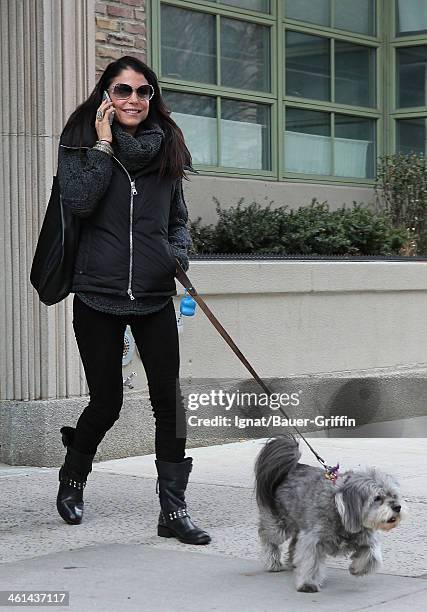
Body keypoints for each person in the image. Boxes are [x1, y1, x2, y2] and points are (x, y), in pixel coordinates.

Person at [55, 55, 210, 545]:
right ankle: (73, 478)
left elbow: (178, 218)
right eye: (123, 91)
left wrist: (176, 254)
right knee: (107, 402)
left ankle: (173, 510)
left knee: (171, 400)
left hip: (153, 292)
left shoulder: (168, 149)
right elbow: (78, 202)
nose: (134, 100)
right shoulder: (81, 142)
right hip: (97, 293)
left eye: (143, 92)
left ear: (152, 98)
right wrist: (103, 146)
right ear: (107, 96)